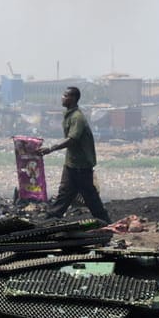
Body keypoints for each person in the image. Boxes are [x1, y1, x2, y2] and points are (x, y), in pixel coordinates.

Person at [33, 86, 110, 222]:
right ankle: (50, 218)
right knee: (65, 194)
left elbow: (73, 139)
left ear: (73, 98)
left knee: (90, 196)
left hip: (81, 165)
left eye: (65, 95)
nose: (62, 98)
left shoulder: (77, 118)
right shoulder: (69, 115)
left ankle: (105, 221)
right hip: (71, 163)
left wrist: (51, 148)